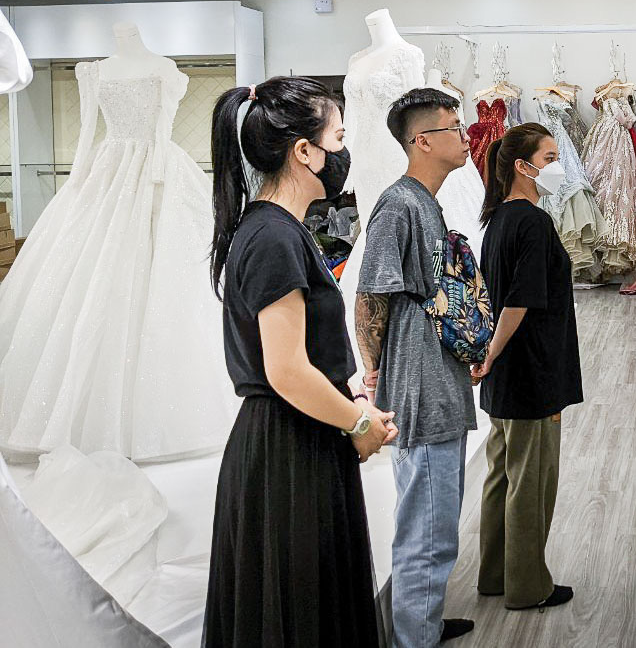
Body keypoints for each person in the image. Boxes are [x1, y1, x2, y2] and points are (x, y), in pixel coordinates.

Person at [205, 76, 396, 648]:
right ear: (304, 152)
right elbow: (285, 370)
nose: (345, 152)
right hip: (287, 448)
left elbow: (309, 354)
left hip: (302, 437)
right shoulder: (271, 237)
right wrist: (359, 421)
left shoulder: (281, 230)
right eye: (338, 138)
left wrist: (354, 403)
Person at [354, 88, 477, 647]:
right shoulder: (399, 205)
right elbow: (370, 294)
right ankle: (413, 638)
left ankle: (420, 623)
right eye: (454, 127)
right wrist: (373, 371)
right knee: (424, 531)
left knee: (438, 523)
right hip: (420, 393)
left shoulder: (427, 204)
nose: (465, 134)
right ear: (423, 141)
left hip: (440, 384)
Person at [472, 123, 583, 610]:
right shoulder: (533, 222)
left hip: (507, 375)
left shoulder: (498, 220)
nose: (557, 165)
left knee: (503, 473)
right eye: (550, 155)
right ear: (524, 166)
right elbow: (518, 301)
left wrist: (491, 358)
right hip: (530, 368)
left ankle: (495, 575)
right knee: (531, 479)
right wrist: (492, 351)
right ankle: (527, 585)